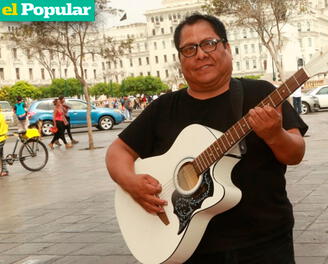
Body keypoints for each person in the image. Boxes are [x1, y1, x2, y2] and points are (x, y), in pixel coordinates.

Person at [105, 13, 307, 264]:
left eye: (209, 43)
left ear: (227, 48)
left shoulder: (262, 94)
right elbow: (118, 151)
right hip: (187, 247)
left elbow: (295, 153)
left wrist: (275, 134)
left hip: (265, 243)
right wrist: (131, 182)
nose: (200, 54)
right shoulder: (164, 107)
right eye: (189, 49)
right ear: (180, 59)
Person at [0, 109, 8, 177]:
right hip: (3, 137)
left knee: (1, 155)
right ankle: (4, 170)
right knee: (1, 155)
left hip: (1, 138)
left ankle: (4, 170)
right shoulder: (2, 115)